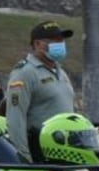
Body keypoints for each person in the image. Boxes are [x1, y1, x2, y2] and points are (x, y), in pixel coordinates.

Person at [6, 21, 76, 161]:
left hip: (65, 152)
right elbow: (16, 118)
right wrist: (23, 157)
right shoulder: (25, 73)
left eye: (61, 40)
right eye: (54, 41)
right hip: (41, 153)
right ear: (37, 44)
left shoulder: (60, 72)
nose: (60, 44)